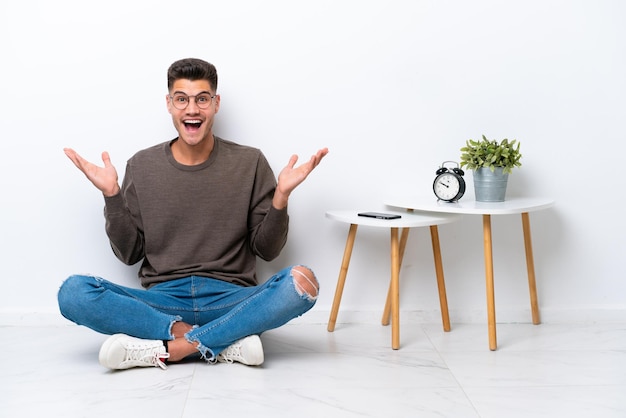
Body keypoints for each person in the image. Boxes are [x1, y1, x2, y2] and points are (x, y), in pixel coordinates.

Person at [58, 58, 328, 370]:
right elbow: (129, 254)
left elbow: (267, 250)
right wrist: (112, 196)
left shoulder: (250, 162)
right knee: (74, 293)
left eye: (202, 99)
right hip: (162, 304)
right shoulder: (141, 165)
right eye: (181, 99)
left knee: (303, 282)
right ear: (169, 104)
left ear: (216, 104)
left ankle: (172, 350)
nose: (192, 109)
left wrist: (281, 196)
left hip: (230, 300)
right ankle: (222, 341)